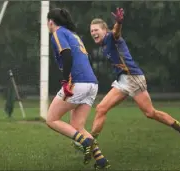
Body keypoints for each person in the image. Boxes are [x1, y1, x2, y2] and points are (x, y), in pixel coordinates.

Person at [86, 7, 180, 163]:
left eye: (96, 30)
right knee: (144, 112)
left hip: (131, 78)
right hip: (126, 79)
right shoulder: (103, 44)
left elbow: (117, 33)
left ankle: (89, 142)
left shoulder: (111, 37)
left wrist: (118, 22)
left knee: (109, 109)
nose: (93, 33)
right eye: (91, 31)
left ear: (105, 30)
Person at [46, 8, 110, 169]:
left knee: (51, 119)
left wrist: (65, 80)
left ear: (51, 22)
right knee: (77, 126)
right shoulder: (73, 35)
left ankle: (84, 142)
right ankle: (101, 160)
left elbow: (66, 54)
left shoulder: (58, 33)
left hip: (78, 83)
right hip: (92, 84)